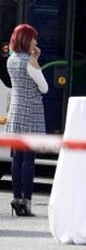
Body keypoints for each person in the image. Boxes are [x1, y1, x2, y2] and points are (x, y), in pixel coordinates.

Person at [6, 23, 48, 216]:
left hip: (15, 110)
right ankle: (27, 201)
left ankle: (16, 198)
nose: (36, 42)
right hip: (31, 112)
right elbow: (44, 88)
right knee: (28, 159)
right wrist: (36, 61)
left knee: (17, 157)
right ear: (26, 40)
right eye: (33, 38)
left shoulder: (11, 60)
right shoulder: (30, 63)